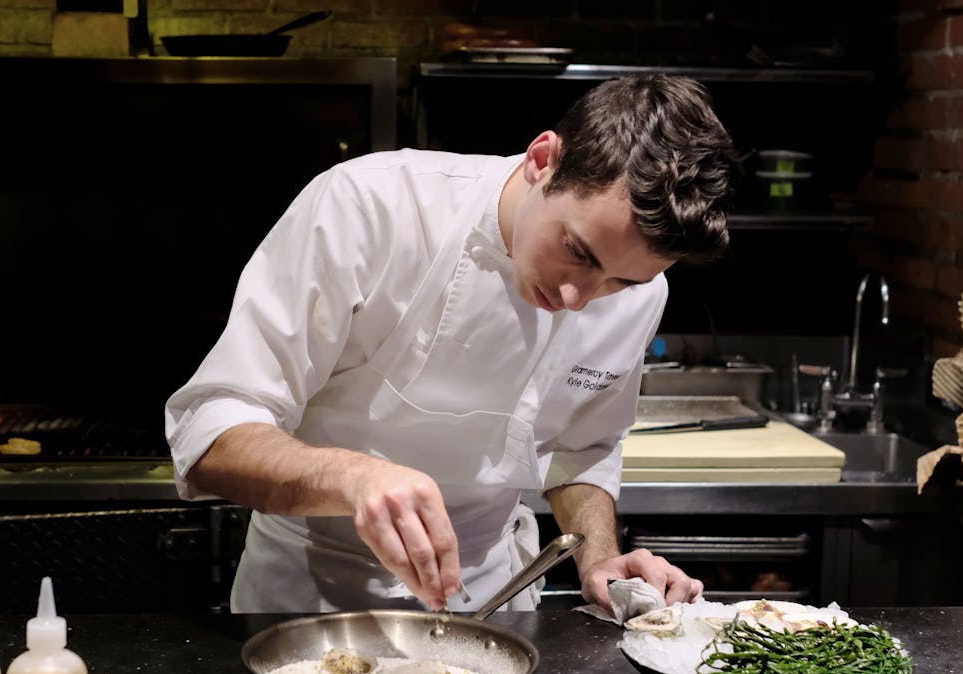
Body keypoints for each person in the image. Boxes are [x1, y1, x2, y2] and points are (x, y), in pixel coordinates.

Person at [165, 74, 740, 615]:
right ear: (543, 161)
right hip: (312, 596)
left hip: (493, 604)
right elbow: (213, 433)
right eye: (578, 252)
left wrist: (600, 557)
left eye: (619, 282)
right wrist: (354, 478)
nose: (577, 297)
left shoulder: (643, 291)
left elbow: (582, 450)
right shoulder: (373, 205)